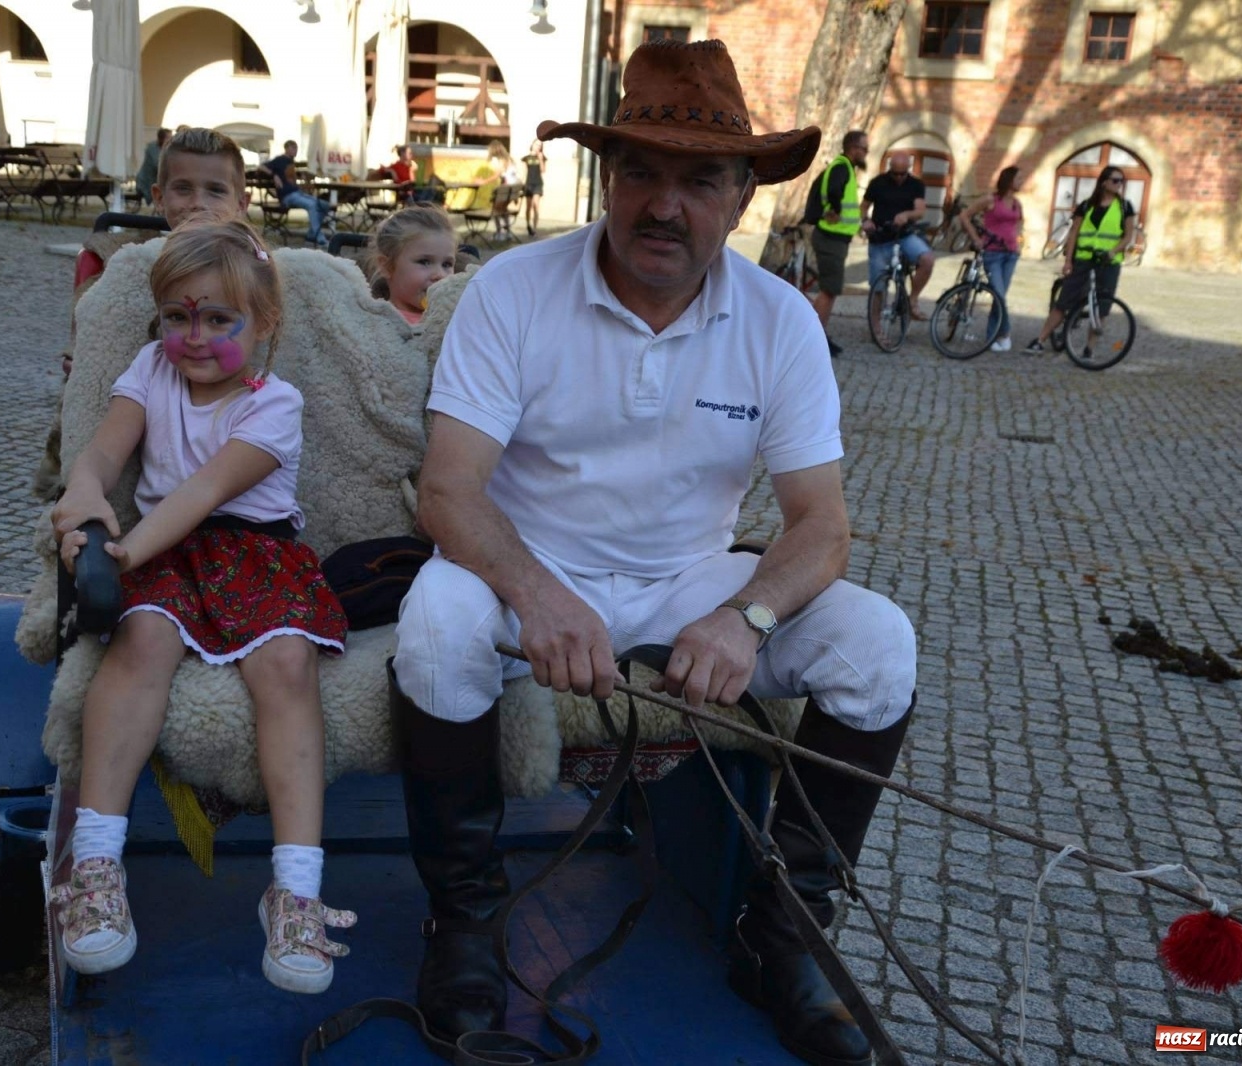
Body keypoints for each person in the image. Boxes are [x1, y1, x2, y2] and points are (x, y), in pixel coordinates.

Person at [392, 38, 916, 1065]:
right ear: (607, 176)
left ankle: (779, 940)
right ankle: (462, 923)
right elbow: (447, 490)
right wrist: (536, 594)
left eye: (699, 180)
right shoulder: (514, 289)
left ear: (741, 197)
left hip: (691, 583)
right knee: (436, 620)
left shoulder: (778, 320)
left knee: (878, 644)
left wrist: (745, 616)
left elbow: (821, 525)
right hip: (528, 569)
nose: (663, 205)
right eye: (640, 171)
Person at [49, 220, 355, 992]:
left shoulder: (276, 403)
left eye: (221, 320)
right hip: (166, 551)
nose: (195, 336)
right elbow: (105, 448)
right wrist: (82, 489)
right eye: (180, 316)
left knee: (287, 662)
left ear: (264, 325)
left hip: (247, 548)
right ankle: (94, 869)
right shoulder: (151, 369)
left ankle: (296, 889)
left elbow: (204, 491)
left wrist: (124, 554)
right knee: (141, 639)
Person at [35, 127, 254, 501]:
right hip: (137, 430)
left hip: (239, 432)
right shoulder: (116, 267)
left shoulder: (264, 271)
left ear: (242, 202)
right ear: (158, 196)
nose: (198, 202)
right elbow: (94, 337)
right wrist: (84, 363)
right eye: (183, 188)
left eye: (215, 190)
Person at [1025, 164, 1137, 353]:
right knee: (1063, 302)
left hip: (1108, 263)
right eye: (1115, 180)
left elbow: (1128, 236)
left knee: (1101, 307)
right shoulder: (1086, 206)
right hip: (1083, 259)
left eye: (1121, 181)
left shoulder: (1125, 207)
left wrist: (1113, 251)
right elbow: (1074, 233)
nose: (1119, 184)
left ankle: (1088, 349)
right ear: (1104, 182)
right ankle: (1040, 339)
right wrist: (1068, 261)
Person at [806, 129, 869, 357]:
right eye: (864, 148)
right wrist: (833, 210)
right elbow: (833, 190)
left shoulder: (844, 167)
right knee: (829, 290)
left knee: (829, 289)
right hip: (831, 237)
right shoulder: (842, 166)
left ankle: (815, 333)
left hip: (836, 238)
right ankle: (814, 337)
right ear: (853, 147)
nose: (866, 152)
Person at [861, 151, 936, 322]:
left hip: (904, 236)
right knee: (878, 286)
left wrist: (907, 215)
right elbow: (864, 207)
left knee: (927, 259)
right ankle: (876, 326)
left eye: (903, 173)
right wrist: (865, 221)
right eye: (895, 173)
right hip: (879, 238)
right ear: (890, 169)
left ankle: (913, 299)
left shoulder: (916, 184)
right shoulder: (877, 183)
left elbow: (920, 211)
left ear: (908, 169)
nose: (899, 177)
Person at [961, 165, 1025, 351]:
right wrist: (976, 238)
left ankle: (991, 336)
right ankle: (1005, 333)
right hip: (993, 253)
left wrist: (1018, 239)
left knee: (1001, 296)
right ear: (1009, 180)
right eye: (1018, 178)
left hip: (1010, 254)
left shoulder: (1017, 203)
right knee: (998, 293)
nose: (1021, 182)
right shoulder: (991, 200)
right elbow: (964, 216)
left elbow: (1020, 221)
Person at [368, 205, 457, 327]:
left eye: (447, 264)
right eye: (424, 262)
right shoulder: (375, 324)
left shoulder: (456, 319)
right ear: (386, 266)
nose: (440, 275)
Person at [261, 138, 335, 247]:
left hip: (297, 193)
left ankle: (311, 235)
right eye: (293, 148)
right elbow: (261, 166)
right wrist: (274, 175)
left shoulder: (291, 161)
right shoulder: (280, 159)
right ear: (286, 149)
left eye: (296, 148)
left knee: (325, 205)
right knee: (312, 205)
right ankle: (320, 239)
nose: (295, 151)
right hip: (287, 196)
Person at [135, 127, 170, 206]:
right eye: (168, 137)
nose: (170, 140)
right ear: (162, 138)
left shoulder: (163, 149)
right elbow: (157, 165)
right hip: (145, 182)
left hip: (153, 181)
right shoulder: (153, 148)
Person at [520, 138, 546, 236]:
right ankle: (528, 225)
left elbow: (543, 170)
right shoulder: (526, 158)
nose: (538, 147)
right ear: (532, 145)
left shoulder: (542, 157)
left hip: (538, 183)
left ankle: (534, 229)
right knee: (528, 207)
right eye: (536, 144)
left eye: (540, 146)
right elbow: (524, 172)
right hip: (529, 184)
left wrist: (540, 159)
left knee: (536, 206)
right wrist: (522, 185)